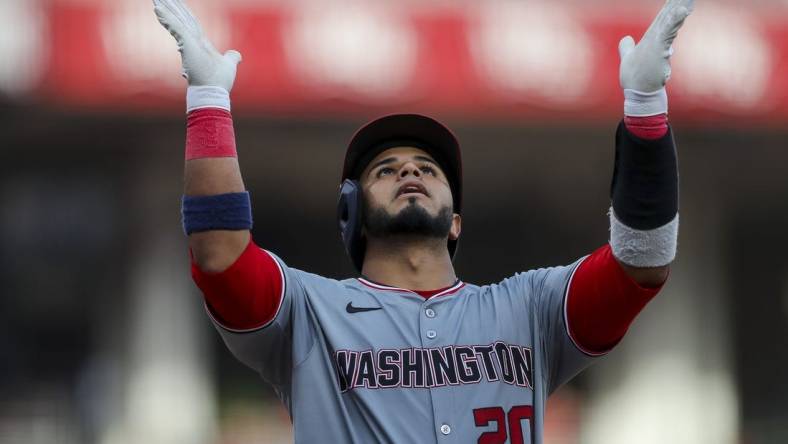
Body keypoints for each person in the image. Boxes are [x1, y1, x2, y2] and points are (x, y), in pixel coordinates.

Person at [154, 0, 693, 442]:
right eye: (385, 169)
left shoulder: (530, 308)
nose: (410, 169)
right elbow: (220, 254)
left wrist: (645, 108)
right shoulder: (307, 312)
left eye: (428, 167)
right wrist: (208, 101)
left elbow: (641, 264)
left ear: (456, 221)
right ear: (353, 216)